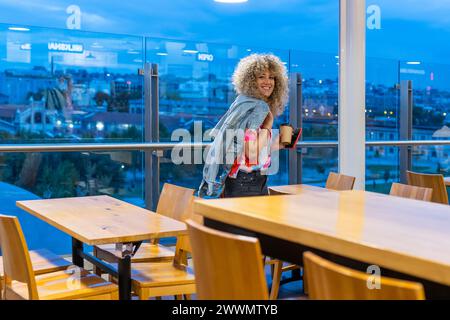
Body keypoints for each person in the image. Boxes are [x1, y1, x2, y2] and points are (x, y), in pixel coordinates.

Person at [198, 54, 289, 198]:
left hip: (248, 180)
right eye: (261, 76)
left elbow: (247, 147)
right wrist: (268, 127)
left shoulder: (242, 103)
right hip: (247, 183)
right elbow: (251, 154)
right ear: (250, 80)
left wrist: (276, 144)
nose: (268, 81)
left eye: (271, 77)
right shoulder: (258, 107)